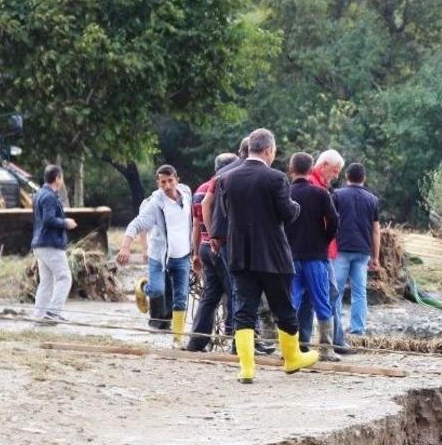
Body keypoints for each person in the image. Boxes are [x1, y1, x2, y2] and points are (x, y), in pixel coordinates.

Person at [211, 128, 314, 381]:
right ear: (268, 150)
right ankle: (292, 359)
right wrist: (297, 206)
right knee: (284, 308)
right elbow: (288, 214)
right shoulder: (276, 178)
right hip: (273, 256)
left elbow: (225, 213)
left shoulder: (227, 178)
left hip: (240, 255)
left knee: (243, 311)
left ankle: (246, 368)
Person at [118, 165, 194, 347]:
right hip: (159, 257)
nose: (167, 185)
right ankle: (143, 288)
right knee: (158, 290)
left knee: (181, 297)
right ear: (158, 183)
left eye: (170, 181)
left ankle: (177, 339)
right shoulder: (155, 204)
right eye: (163, 182)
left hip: (182, 256)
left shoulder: (187, 194)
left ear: (177, 179)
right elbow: (135, 225)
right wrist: (125, 247)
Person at [285, 152, 340, 361]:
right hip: (316, 257)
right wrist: (324, 241)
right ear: (311, 170)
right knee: (322, 301)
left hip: (291, 256)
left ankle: (289, 349)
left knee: (292, 302)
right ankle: (326, 349)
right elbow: (334, 221)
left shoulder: (285, 194)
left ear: (291, 170)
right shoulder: (321, 194)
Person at [186, 152, 237, 352]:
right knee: (235, 292)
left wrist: (196, 253)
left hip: (205, 248)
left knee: (210, 295)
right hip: (220, 246)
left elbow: (196, 225)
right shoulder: (224, 187)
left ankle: (197, 341)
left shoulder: (199, 190)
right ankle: (236, 339)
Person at [298, 149, 347, 350]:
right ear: (323, 165)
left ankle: (304, 342)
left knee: (308, 297)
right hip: (317, 253)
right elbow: (333, 221)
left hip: (316, 251)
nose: (336, 176)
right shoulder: (316, 189)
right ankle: (329, 343)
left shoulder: (317, 187)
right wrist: (324, 241)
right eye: (335, 171)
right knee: (328, 294)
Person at [333, 162, 381, 341]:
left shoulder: (337, 195)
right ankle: (358, 330)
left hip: (341, 249)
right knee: (359, 291)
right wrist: (375, 257)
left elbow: (328, 222)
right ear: (364, 178)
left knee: (335, 291)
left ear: (346, 177)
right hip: (363, 251)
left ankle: (334, 330)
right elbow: (376, 231)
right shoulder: (372, 200)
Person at [31, 164, 76, 322]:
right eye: (61, 178)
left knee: (47, 280)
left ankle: (39, 314)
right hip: (50, 244)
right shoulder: (50, 196)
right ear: (57, 179)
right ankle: (53, 312)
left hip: (39, 244)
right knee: (64, 277)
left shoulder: (39, 194)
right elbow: (48, 219)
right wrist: (66, 222)